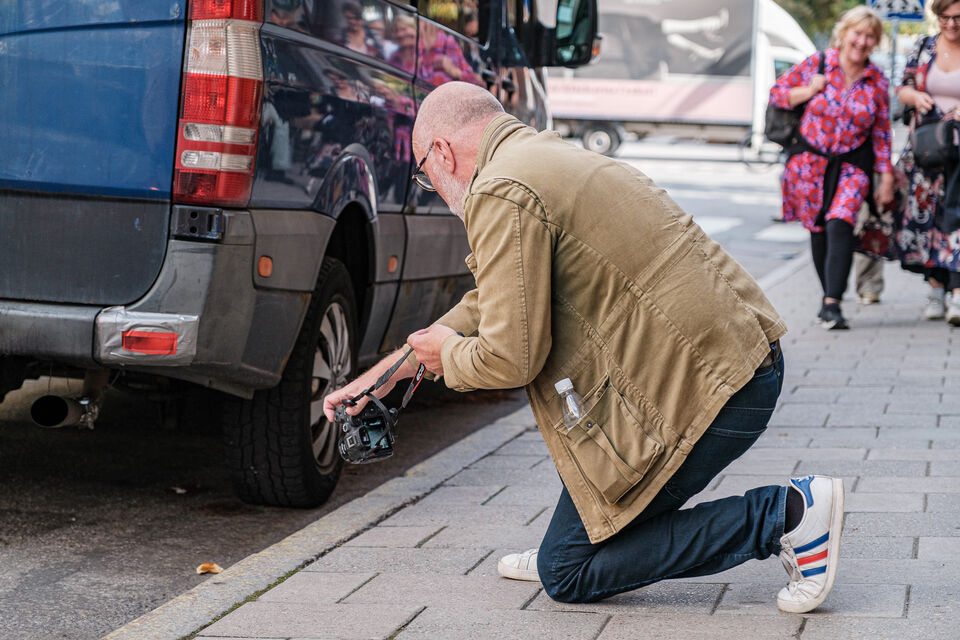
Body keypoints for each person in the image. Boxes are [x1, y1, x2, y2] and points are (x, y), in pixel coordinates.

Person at [323, 81, 846, 614]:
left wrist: (448, 357)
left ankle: (788, 516)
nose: (432, 186)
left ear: (442, 151)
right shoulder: (540, 156)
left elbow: (510, 357)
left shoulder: (498, 191)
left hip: (716, 388)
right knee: (576, 528)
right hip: (735, 360)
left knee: (567, 571)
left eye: (424, 174)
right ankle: (588, 539)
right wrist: (386, 375)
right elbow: (494, 300)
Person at [769, 6, 894, 330]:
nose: (862, 41)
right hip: (809, 164)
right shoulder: (818, 63)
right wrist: (810, 90)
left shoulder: (877, 80)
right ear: (844, 33)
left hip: (853, 165)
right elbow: (778, 94)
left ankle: (832, 303)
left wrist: (886, 178)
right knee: (818, 229)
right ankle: (828, 298)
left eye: (870, 36)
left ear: (876, 42)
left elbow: (882, 132)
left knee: (841, 221)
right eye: (858, 33)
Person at [894, 0, 960, 325]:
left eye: (958, 18)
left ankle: (957, 293)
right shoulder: (924, 46)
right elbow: (903, 86)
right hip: (928, 148)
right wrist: (915, 97)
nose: (952, 24)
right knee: (927, 217)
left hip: (958, 149)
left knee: (957, 215)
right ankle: (935, 290)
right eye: (945, 17)